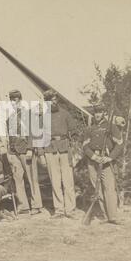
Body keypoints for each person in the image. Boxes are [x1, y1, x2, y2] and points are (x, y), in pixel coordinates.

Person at [82, 104, 123, 224]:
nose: (98, 114)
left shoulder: (111, 127)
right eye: (96, 112)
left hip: (106, 160)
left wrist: (110, 158)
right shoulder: (90, 128)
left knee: (109, 188)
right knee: (97, 189)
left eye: (100, 112)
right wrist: (93, 156)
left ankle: (113, 217)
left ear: (104, 113)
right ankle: (105, 216)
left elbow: (119, 144)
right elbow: (85, 145)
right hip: (93, 160)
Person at [6, 89, 43, 215]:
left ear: (20, 100)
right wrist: (10, 152)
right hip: (14, 151)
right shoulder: (10, 118)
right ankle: (23, 206)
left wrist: (30, 149)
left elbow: (34, 133)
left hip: (25, 149)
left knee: (32, 178)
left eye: (15, 100)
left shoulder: (29, 115)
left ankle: (36, 205)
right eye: (11, 100)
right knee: (18, 178)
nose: (13, 103)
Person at [42, 90, 78, 219]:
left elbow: (74, 132)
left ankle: (70, 210)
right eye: (50, 100)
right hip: (49, 149)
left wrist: (74, 150)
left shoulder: (65, 114)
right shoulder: (43, 117)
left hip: (64, 149)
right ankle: (59, 210)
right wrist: (41, 155)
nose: (53, 102)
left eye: (54, 99)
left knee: (68, 181)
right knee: (55, 182)